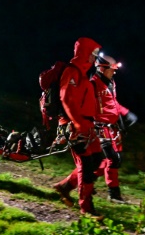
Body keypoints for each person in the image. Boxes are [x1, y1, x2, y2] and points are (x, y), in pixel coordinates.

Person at [52, 37, 103, 219]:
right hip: (74, 126)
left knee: (99, 160)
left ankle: (65, 187)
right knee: (86, 165)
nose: (95, 58)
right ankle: (87, 208)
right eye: (93, 53)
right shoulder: (72, 72)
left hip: (87, 126)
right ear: (84, 53)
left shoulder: (83, 74)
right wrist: (77, 123)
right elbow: (66, 99)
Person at [92, 54, 138, 203]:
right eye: (111, 69)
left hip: (113, 129)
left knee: (113, 160)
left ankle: (112, 193)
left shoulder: (111, 83)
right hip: (100, 129)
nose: (114, 72)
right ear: (101, 68)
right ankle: (80, 182)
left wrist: (126, 113)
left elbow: (113, 104)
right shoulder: (92, 85)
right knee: (109, 159)